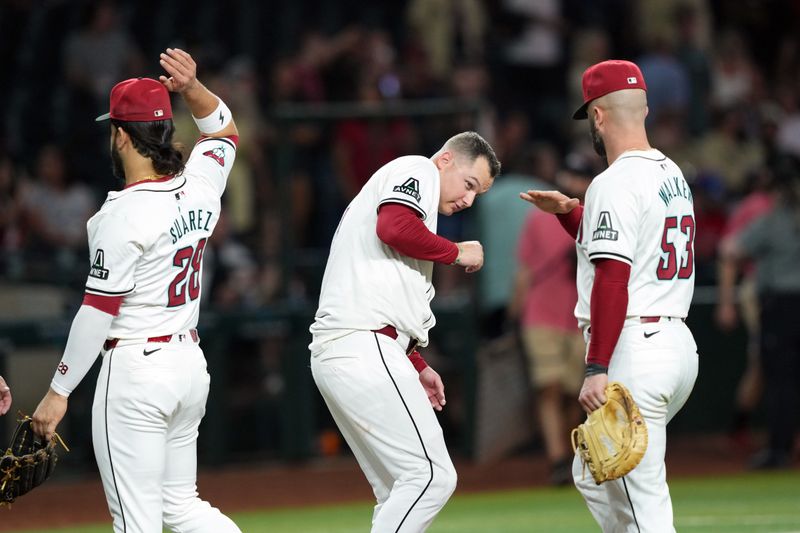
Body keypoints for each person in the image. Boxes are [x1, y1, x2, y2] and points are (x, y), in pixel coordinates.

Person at [30, 48, 241, 533]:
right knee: (182, 508)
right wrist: (192, 88)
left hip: (136, 373)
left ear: (120, 135)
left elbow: (98, 310)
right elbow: (225, 132)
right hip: (189, 366)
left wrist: (59, 391)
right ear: (164, 130)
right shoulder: (201, 185)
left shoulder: (120, 215)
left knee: (137, 523)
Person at [521, 59, 699, 531]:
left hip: (634, 348)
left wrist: (597, 366)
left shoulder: (613, 181)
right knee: (594, 472)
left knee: (643, 505)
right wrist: (573, 215)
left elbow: (614, 277)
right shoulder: (671, 171)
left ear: (598, 116)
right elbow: (636, 245)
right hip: (675, 344)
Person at [309, 131, 500, 532]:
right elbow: (392, 227)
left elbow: (387, 289)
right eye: (469, 184)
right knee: (432, 477)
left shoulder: (421, 206)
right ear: (446, 160)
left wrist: (412, 361)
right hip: (361, 345)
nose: (468, 199)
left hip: (358, 346)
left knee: (401, 489)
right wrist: (455, 251)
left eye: (476, 194)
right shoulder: (418, 168)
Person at [508, 154, 593, 485]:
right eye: (570, 174)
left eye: (579, 176)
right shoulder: (538, 218)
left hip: (580, 314)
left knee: (575, 391)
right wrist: (514, 314)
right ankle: (558, 459)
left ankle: (569, 458)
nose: (573, 181)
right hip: (541, 312)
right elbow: (525, 271)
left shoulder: (592, 217)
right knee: (549, 387)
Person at [719, 153, 800, 469]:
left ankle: (779, 449)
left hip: (781, 305)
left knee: (780, 379)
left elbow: (730, 249)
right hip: (785, 302)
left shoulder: (774, 217)